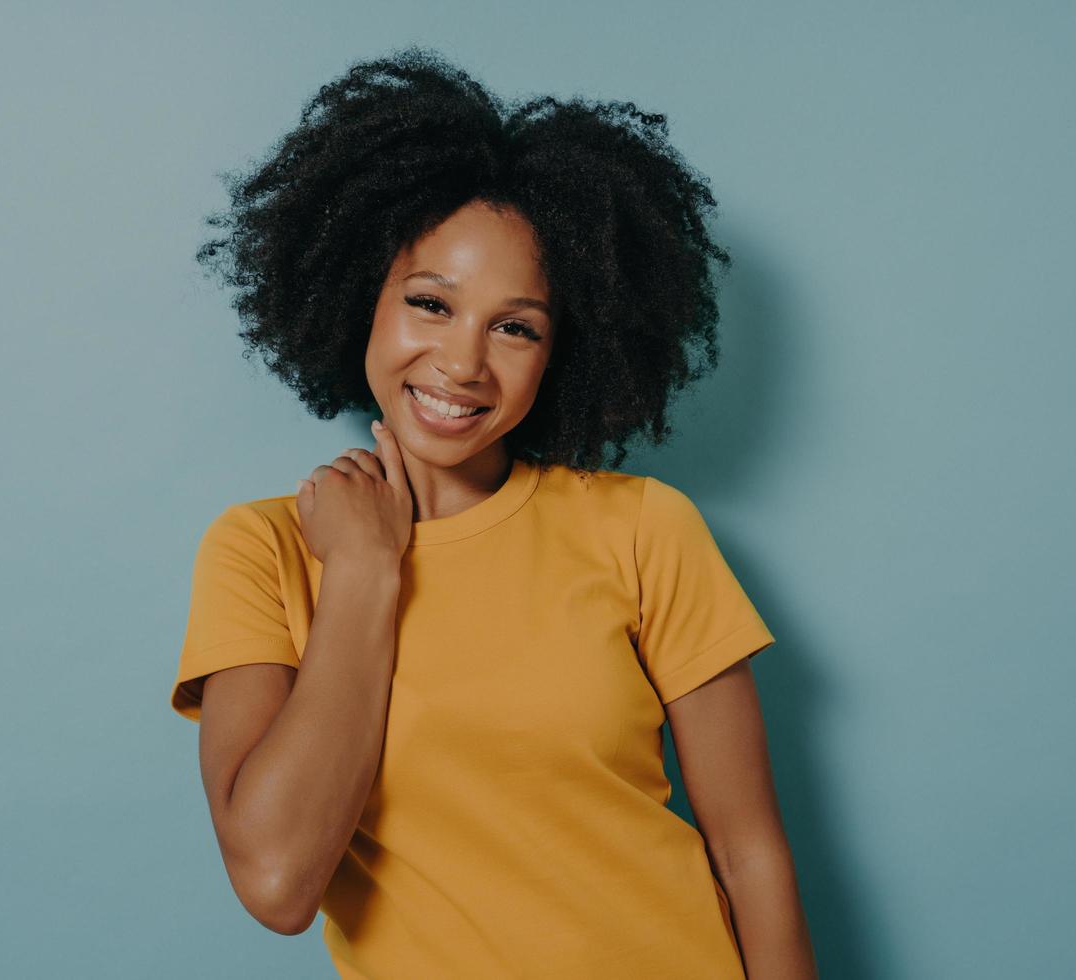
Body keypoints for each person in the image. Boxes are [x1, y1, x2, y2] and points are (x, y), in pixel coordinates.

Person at [169, 46, 817, 979]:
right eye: (431, 304)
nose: (465, 364)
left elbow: (750, 851)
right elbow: (276, 881)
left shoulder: (642, 528)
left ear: (564, 352)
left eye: (516, 326)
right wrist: (361, 572)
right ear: (361, 301)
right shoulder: (261, 551)